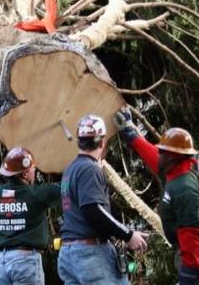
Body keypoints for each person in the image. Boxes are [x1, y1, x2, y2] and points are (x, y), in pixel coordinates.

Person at [114, 107, 199, 285]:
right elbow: (154, 157)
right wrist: (131, 134)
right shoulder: (176, 174)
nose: (159, 154)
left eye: (163, 151)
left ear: (172, 158)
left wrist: (189, 271)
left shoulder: (184, 188)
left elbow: (191, 233)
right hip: (191, 252)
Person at [57, 114, 148, 285]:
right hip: (91, 254)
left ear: (79, 141)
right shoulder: (89, 170)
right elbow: (93, 210)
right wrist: (128, 235)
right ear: (102, 142)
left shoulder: (70, 170)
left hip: (68, 253)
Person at [0, 146, 61, 285]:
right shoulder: (37, 194)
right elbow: (66, 187)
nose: (35, 170)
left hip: (0, 262)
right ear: (25, 174)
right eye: (33, 168)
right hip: (25, 261)